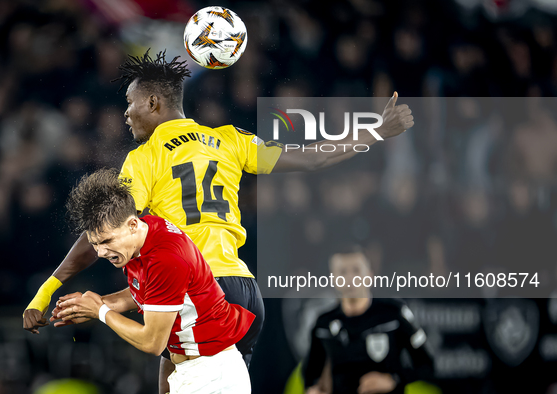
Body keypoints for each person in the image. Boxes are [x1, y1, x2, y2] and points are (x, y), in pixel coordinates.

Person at [23, 49, 414, 391]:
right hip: (244, 288)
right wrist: (377, 131)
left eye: (131, 102)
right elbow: (314, 157)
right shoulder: (230, 139)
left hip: (198, 290)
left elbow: (104, 230)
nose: (126, 113)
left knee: (176, 380)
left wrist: (47, 290)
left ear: (154, 102)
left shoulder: (145, 158)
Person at [52, 168, 254, 393]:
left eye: (107, 241)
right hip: (193, 371)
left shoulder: (166, 258)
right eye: (95, 243)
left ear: (132, 224)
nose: (100, 252)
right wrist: (91, 306)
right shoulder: (145, 234)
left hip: (213, 375)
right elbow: (152, 291)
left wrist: (100, 312)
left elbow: (152, 342)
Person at [303, 250, 434, 394]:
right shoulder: (323, 325)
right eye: (342, 272)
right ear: (333, 278)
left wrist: (394, 379)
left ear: (369, 275)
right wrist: (314, 389)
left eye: (356, 270)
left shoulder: (393, 314)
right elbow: (310, 374)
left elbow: (427, 365)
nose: (350, 277)